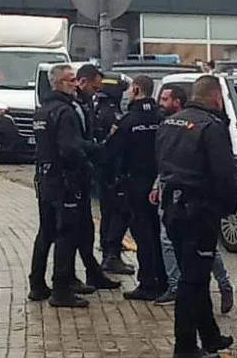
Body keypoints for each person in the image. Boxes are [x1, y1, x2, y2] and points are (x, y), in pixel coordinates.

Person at [156, 75, 237, 358]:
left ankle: (210, 336)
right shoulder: (211, 128)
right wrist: (228, 207)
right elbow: (224, 174)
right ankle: (185, 346)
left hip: (173, 209)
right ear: (216, 97)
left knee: (195, 274)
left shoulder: (170, 122)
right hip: (198, 211)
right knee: (193, 281)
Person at [28, 64, 118, 307]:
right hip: (65, 180)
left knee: (46, 232)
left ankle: (37, 283)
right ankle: (61, 289)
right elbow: (70, 148)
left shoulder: (42, 111)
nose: (74, 84)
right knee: (66, 234)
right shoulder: (65, 112)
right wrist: (91, 163)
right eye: (69, 80)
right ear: (59, 84)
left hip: (45, 178)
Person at [109, 75, 167, 301]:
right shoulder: (161, 118)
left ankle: (147, 283)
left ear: (135, 89)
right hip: (159, 183)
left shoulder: (128, 121)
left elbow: (112, 152)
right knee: (159, 234)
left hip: (135, 183)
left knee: (143, 235)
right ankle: (163, 280)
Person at [79, 66, 134, 276]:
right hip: (112, 172)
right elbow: (114, 144)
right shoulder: (111, 113)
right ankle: (112, 255)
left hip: (104, 171)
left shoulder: (97, 108)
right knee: (118, 213)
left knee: (109, 212)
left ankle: (110, 253)